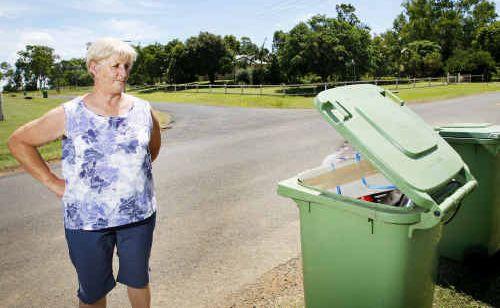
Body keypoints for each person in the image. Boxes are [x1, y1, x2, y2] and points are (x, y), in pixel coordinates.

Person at [8, 37, 161, 308]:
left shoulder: (143, 110)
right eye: (115, 66)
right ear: (93, 67)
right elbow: (19, 141)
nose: (123, 73)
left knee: (139, 281)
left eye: (127, 66)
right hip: (87, 221)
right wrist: (53, 182)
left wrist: (131, 175)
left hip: (138, 216)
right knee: (91, 292)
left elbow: (151, 150)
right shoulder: (69, 114)